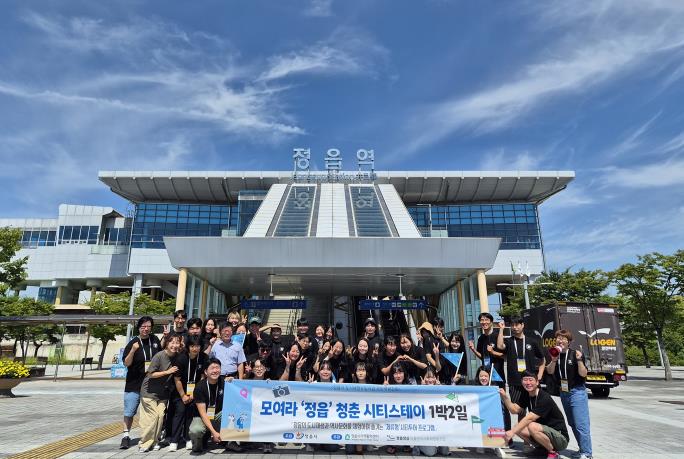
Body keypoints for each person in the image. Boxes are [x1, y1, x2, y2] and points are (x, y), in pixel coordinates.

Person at [499, 370, 569, 459]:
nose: (528, 383)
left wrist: (512, 432)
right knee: (519, 427)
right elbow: (514, 410)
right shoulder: (526, 394)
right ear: (521, 382)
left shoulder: (544, 397)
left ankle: (553, 452)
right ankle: (542, 449)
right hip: (545, 433)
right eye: (525, 380)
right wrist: (505, 397)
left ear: (537, 382)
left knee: (531, 426)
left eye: (531, 380)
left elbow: (530, 418)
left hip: (560, 438)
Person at [545, 330, 593, 459]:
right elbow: (549, 371)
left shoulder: (575, 354)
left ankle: (587, 453)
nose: (560, 341)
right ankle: (582, 449)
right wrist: (553, 360)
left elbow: (583, 374)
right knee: (572, 423)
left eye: (563, 338)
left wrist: (579, 360)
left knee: (581, 424)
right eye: (558, 338)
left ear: (569, 342)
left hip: (577, 391)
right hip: (564, 392)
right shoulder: (554, 354)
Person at [120, 316, 162, 449]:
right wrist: (133, 350)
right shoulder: (133, 343)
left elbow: (161, 356)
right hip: (134, 384)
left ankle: (151, 436)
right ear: (139, 328)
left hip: (151, 384)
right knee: (129, 411)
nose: (146, 329)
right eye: (143, 326)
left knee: (150, 413)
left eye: (148, 326)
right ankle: (126, 436)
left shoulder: (154, 340)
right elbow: (126, 363)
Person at [188, 358, 244, 453]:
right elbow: (203, 414)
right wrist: (213, 432)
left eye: (217, 368)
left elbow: (240, 393)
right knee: (196, 430)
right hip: (202, 416)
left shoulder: (225, 382)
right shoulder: (199, 387)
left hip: (218, 415)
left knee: (234, 414)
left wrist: (234, 382)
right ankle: (199, 444)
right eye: (212, 368)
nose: (215, 371)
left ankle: (230, 442)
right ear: (206, 372)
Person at [138, 333, 181, 453]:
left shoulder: (178, 357)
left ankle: (155, 441)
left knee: (161, 416)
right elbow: (150, 374)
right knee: (152, 418)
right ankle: (144, 443)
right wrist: (167, 372)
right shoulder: (159, 355)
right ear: (167, 343)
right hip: (149, 392)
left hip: (163, 393)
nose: (174, 345)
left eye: (177, 342)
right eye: (172, 342)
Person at [496, 317, 545, 420]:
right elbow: (500, 346)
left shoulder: (532, 341)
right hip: (515, 383)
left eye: (517, 324)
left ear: (522, 325)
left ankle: (534, 429)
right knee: (520, 411)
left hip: (530, 382)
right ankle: (523, 429)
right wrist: (501, 329)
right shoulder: (509, 341)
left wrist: (539, 375)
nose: (515, 327)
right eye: (512, 325)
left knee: (535, 411)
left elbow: (542, 359)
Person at [170, 335, 207, 452]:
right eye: (192, 346)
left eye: (197, 346)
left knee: (190, 413)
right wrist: (183, 395)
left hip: (195, 392)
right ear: (188, 347)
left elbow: (202, 377)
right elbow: (177, 379)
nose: (195, 349)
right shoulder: (181, 358)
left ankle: (188, 439)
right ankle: (174, 440)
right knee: (180, 412)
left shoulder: (204, 357)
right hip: (180, 392)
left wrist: (193, 394)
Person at [413, 366, 451, 457]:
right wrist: (421, 390)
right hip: (425, 431)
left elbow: (453, 399)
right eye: (428, 377)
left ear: (436, 378)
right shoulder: (417, 389)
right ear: (423, 378)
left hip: (439, 429)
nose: (430, 380)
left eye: (432, 377)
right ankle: (418, 446)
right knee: (431, 453)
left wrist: (441, 389)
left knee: (445, 451)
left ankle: (437, 446)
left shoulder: (441, 388)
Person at [474, 366, 507, 458]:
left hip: (492, 414)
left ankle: (497, 446)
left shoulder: (494, 389)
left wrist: (503, 395)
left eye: (486, 376)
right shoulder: (474, 388)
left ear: (490, 377)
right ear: (478, 377)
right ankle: (480, 443)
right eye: (481, 376)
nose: (483, 378)